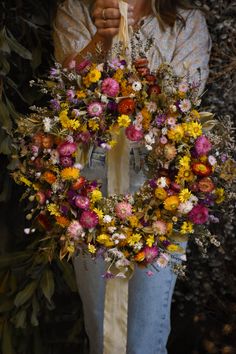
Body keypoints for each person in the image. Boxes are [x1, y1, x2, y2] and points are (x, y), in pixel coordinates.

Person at [53, 1, 211, 353]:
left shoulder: (186, 22)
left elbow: (187, 96)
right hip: (89, 178)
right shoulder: (76, 11)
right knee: (101, 327)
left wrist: (136, 81)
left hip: (160, 181)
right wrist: (100, 40)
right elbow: (63, 89)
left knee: (146, 331)